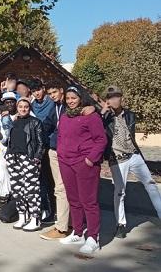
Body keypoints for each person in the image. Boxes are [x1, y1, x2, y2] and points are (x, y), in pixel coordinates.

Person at [101, 86, 161, 239]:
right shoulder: (104, 117)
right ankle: (121, 224)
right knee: (119, 192)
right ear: (107, 100)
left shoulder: (129, 115)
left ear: (122, 98)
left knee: (150, 184)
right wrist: (102, 114)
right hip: (117, 159)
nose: (114, 100)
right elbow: (98, 131)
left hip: (134, 156)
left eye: (116, 97)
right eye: (110, 97)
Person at [57, 86, 107, 255]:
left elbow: (101, 139)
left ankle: (94, 237)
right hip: (65, 162)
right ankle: (78, 233)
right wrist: (60, 154)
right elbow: (61, 137)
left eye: (74, 98)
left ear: (81, 98)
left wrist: (90, 159)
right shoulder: (64, 116)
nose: (70, 101)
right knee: (74, 199)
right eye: (68, 98)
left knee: (89, 201)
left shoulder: (90, 116)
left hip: (84, 162)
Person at [2, 98, 46, 232]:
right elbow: (6, 139)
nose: (23, 109)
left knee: (31, 189)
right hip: (12, 157)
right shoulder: (13, 122)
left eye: (26, 107)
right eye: (20, 106)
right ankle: (22, 215)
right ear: (17, 107)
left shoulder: (35, 122)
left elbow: (41, 143)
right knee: (17, 189)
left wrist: (37, 158)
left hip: (28, 158)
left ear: (29, 108)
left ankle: (35, 218)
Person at [39, 83, 72, 241]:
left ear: (62, 91)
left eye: (54, 92)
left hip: (69, 152)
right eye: (50, 93)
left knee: (62, 188)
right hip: (55, 149)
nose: (52, 95)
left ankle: (62, 227)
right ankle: (68, 224)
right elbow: (47, 124)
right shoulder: (56, 107)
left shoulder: (70, 106)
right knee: (61, 188)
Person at [30, 79, 56, 225]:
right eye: (34, 91)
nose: (37, 93)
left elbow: (49, 124)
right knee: (41, 180)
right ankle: (45, 208)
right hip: (38, 147)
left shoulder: (52, 104)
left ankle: (54, 211)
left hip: (51, 145)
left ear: (43, 88)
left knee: (52, 181)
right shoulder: (33, 106)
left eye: (38, 89)